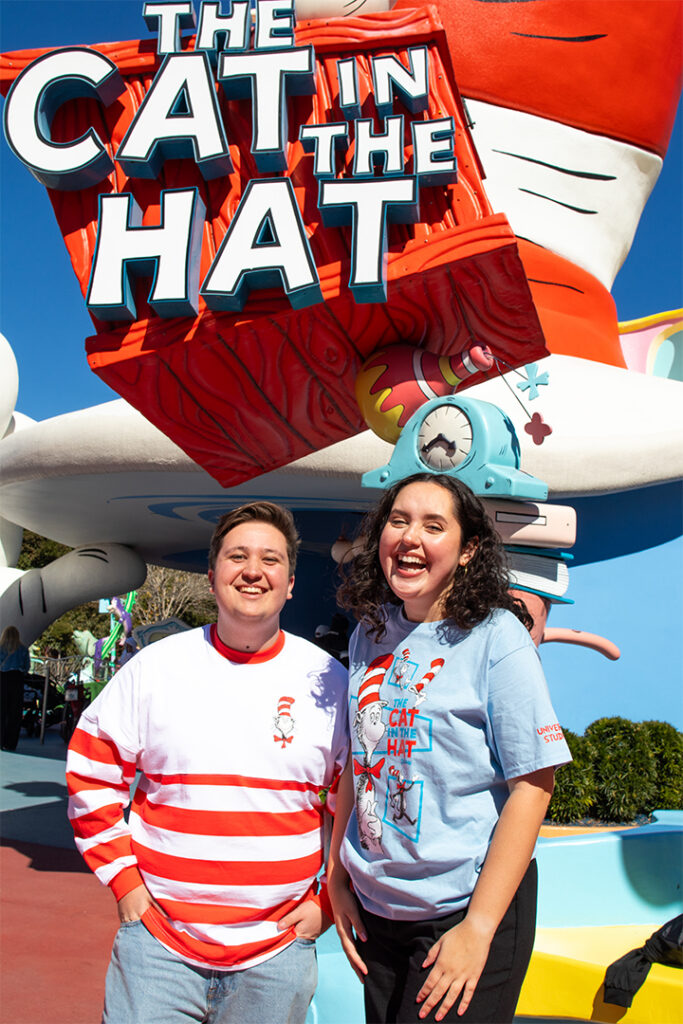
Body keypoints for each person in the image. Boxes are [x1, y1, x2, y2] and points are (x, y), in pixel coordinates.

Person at [66, 502, 349, 1024]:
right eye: (237, 556)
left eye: (271, 559)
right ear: (213, 572)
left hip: (277, 956)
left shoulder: (328, 683)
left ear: (290, 582)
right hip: (157, 951)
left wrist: (327, 906)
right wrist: (126, 886)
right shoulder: (155, 668)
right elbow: (91, 769)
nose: (253, 570)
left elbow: (354, 807)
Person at [327, 473, 571, 1024]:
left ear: (468, 551)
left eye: (434, 526)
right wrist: (337, 873)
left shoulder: (496, 638)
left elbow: (533, 786)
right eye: (399, 520)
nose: (411, 538)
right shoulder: (369, 633)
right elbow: (360, 763)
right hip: (376, 909)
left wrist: (479, 928)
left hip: (461, 911)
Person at [0, 624, 30, 751]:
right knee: (14, 713)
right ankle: (11, 743)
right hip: (16, 679)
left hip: (2, 679)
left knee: (1, 712)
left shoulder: (0, 648)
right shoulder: (22, 649)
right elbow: (26, 667)